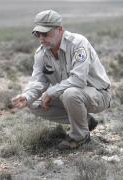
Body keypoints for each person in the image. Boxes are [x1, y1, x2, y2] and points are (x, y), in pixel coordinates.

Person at [12, 10, 111, 150]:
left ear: (59, 29)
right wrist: (27, 96)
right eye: (37, 34)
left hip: (99, 94)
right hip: (70, 95)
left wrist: (51, 92)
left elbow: (78, 80)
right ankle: (85, 122)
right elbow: (38, 81)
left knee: (70, 93)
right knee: (34, 103)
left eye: (45, 33)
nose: (41, 38)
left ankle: (80, 136)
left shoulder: (78, 43)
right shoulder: (41, 53)